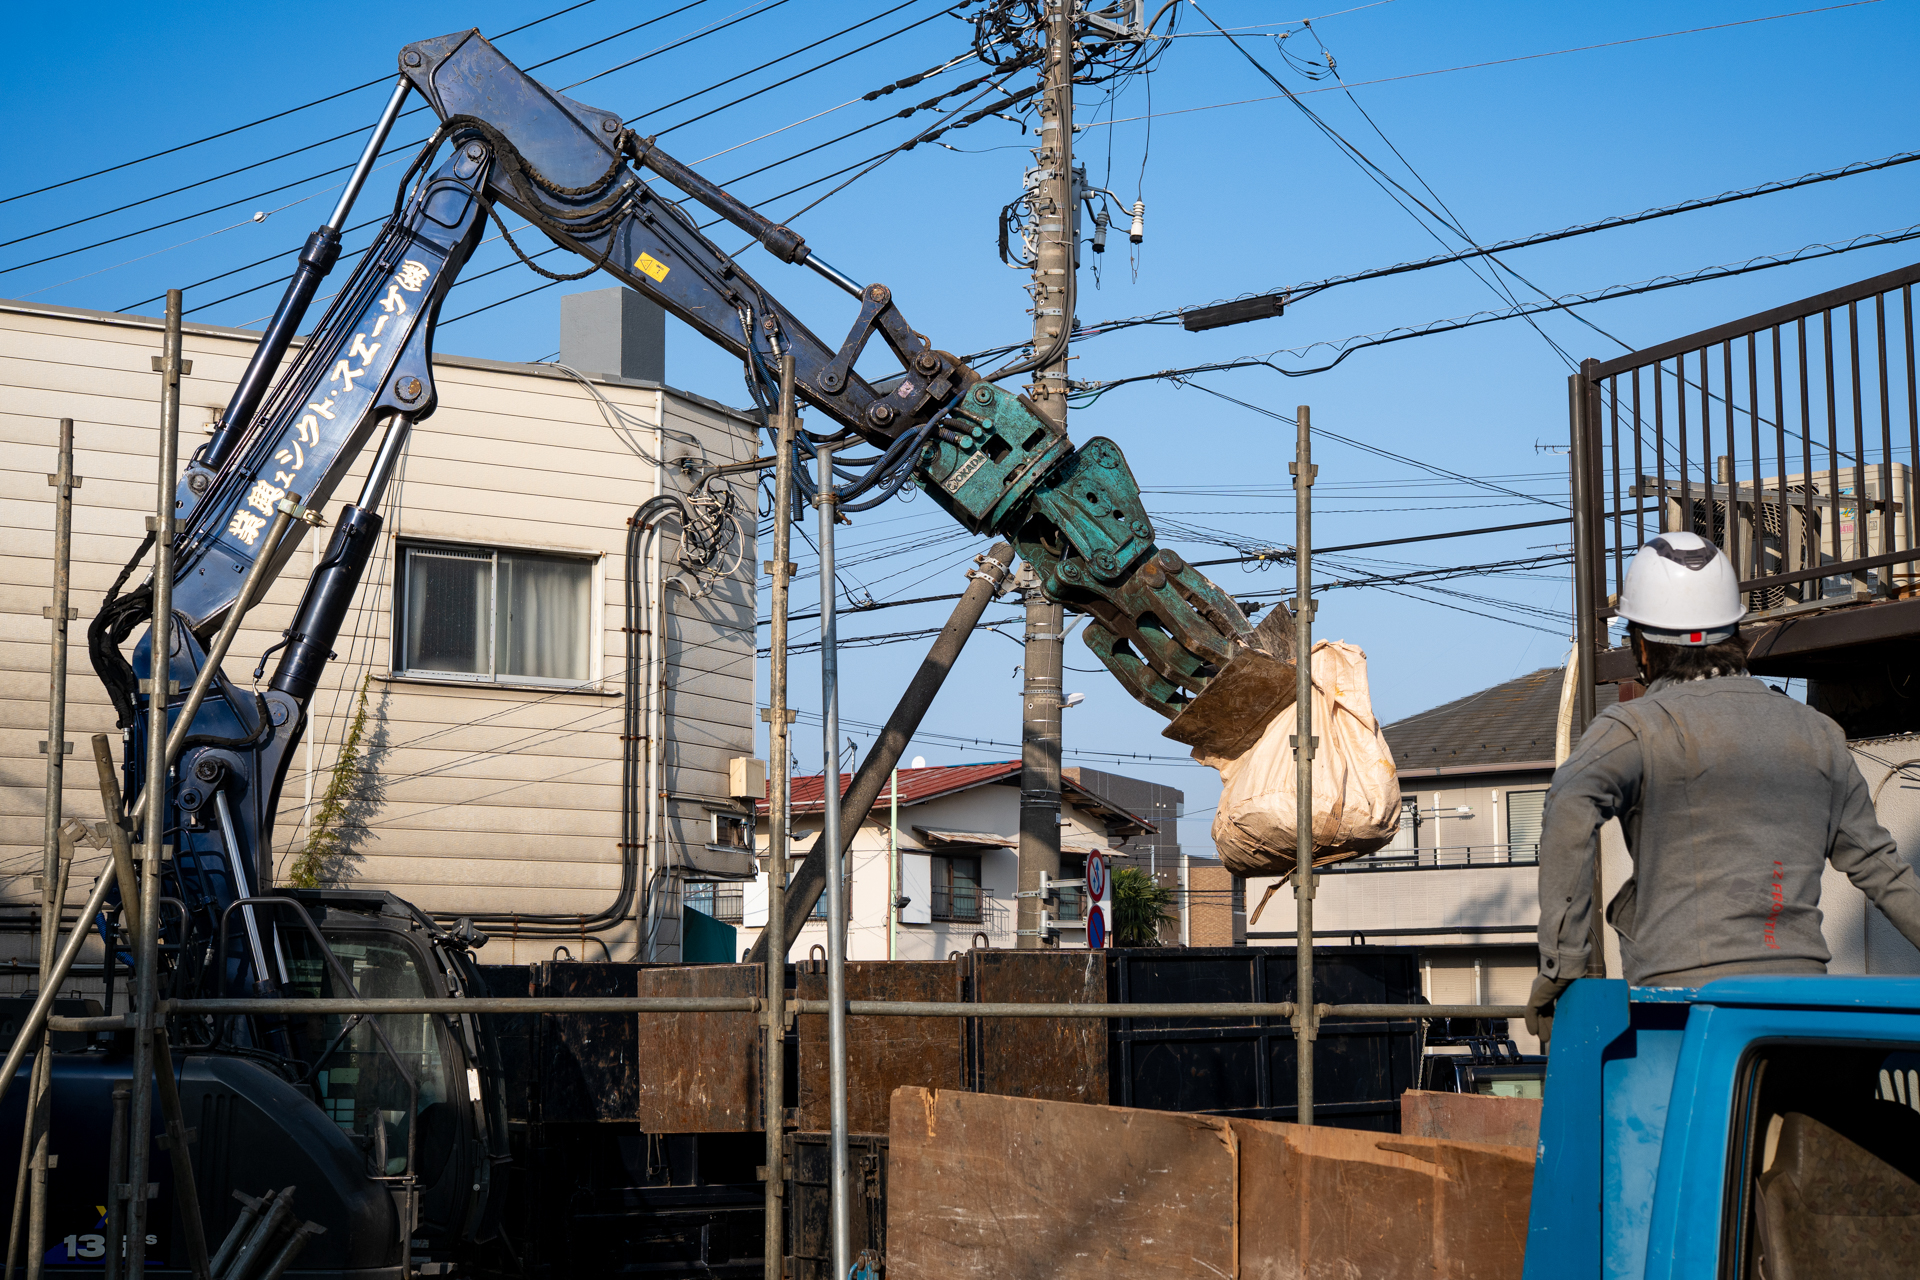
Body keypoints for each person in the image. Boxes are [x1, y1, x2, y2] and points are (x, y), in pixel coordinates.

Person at [1526, 531, 1920, 1044]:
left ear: (1642, 646)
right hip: (1803, 1010)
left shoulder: (1634, 729)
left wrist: (1563, 966)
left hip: (1682, 1012)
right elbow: (1881, 868)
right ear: (1736, 633)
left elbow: (1568, 805)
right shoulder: (1817, 732)